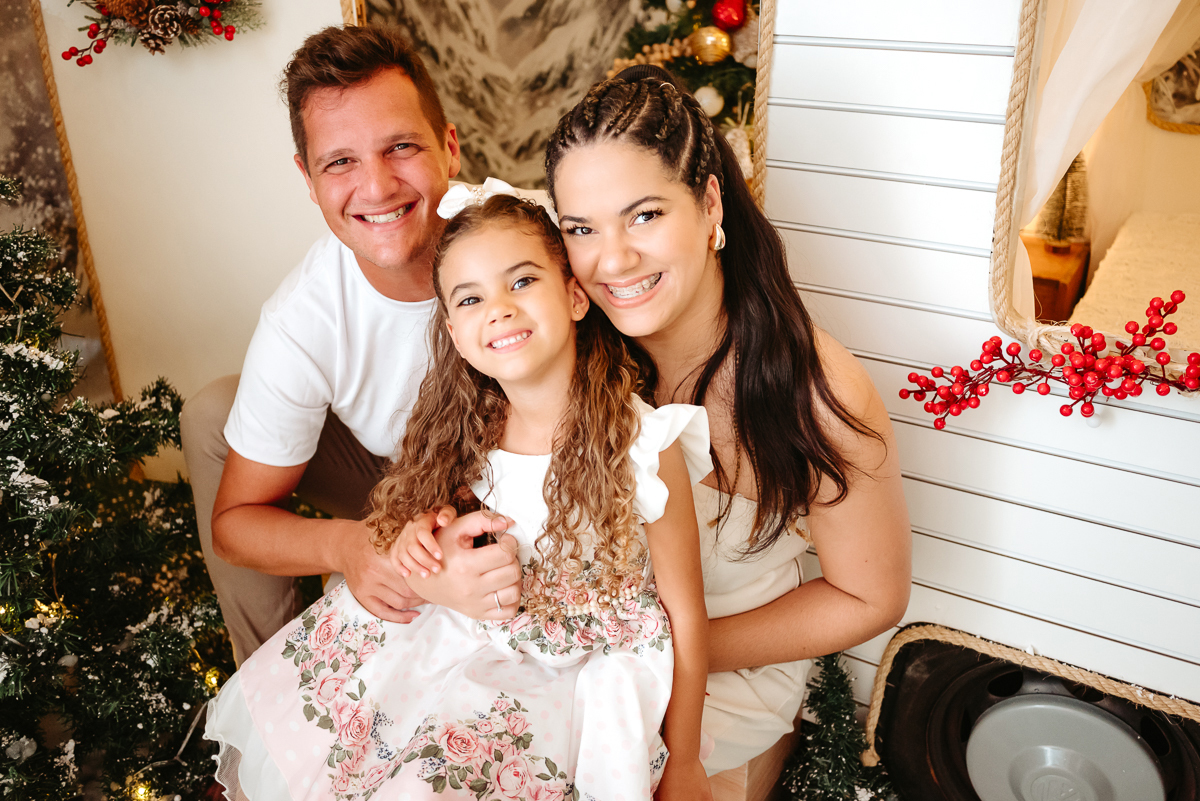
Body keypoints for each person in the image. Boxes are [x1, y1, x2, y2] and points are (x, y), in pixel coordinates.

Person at [205, 191, 715, 800]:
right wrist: (429, 544)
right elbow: (427, 528)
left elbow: (684, 612)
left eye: (521, 281)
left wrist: (684, 763)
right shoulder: (470, 433)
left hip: (578, 666)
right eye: (471, 299)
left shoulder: (642, 444)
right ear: (453, 330)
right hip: (478, 627)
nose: (498, 311)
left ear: (575, 295)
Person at [543, 66, 913, 775]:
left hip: (725, 674)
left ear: (710, 204)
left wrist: (680, 646)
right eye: (581, 228)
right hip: (581, 657)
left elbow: (871, 594)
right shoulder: (571, 345)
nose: (612, 259)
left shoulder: (817, 393)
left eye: (644, 214)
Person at [179, 26, 521, 666]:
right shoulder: (305, 316)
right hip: (407, 481)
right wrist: (349, 546)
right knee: (211, 413)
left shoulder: (528, 237)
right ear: (308, 180)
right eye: (340, 162)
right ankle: (275, 691)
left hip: (540, 474)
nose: (377, 186)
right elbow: (235, 523)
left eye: (400, 147)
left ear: (449, 148)